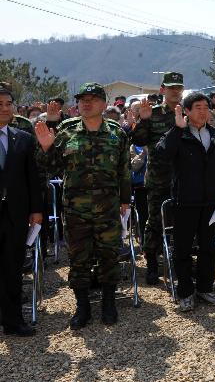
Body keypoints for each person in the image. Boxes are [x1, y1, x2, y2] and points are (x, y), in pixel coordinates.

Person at [35, 82, 130, 329]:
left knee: (109, 255)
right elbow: (51, 167)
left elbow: (124, 171)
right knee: (78, 258)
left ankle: (109, 303)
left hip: (108, 208)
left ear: (103, 104)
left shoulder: (116, 133)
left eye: (92, 99)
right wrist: (46, 147)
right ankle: (82, 306)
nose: (86, 103)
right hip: (76, 210)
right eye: (82, 100)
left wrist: (124, 200)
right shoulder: (66, 130)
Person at [155, 92, 215, 313]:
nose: (203, 110)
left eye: (205, 106)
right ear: (186, 111)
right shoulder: (180, 135)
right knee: (183, 250)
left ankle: (205, 287)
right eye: (197, 107)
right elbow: (162, 154)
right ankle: (185, 292)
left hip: (210, 204)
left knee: (208, 247)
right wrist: (177, 129)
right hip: (185, 202)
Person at [131, 71, 184, 286]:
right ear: (162, 89)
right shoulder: (151, 113)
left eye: (178, 87)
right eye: (170, 87)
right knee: (154, 222)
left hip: (181, 178)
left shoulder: (187, 112)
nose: (174, 91)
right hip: (158, 178)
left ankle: (180, 261)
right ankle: (152, 265)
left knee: (182, 221)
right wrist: (142, 121)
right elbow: (138, 140)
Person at [0, 86, 42, 336]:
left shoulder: (23, 138)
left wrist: (36, 210)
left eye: (8, 103)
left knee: (12, 268)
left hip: (15, 214)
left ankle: (13, 321)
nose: (4, 108)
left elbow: (32, 178)